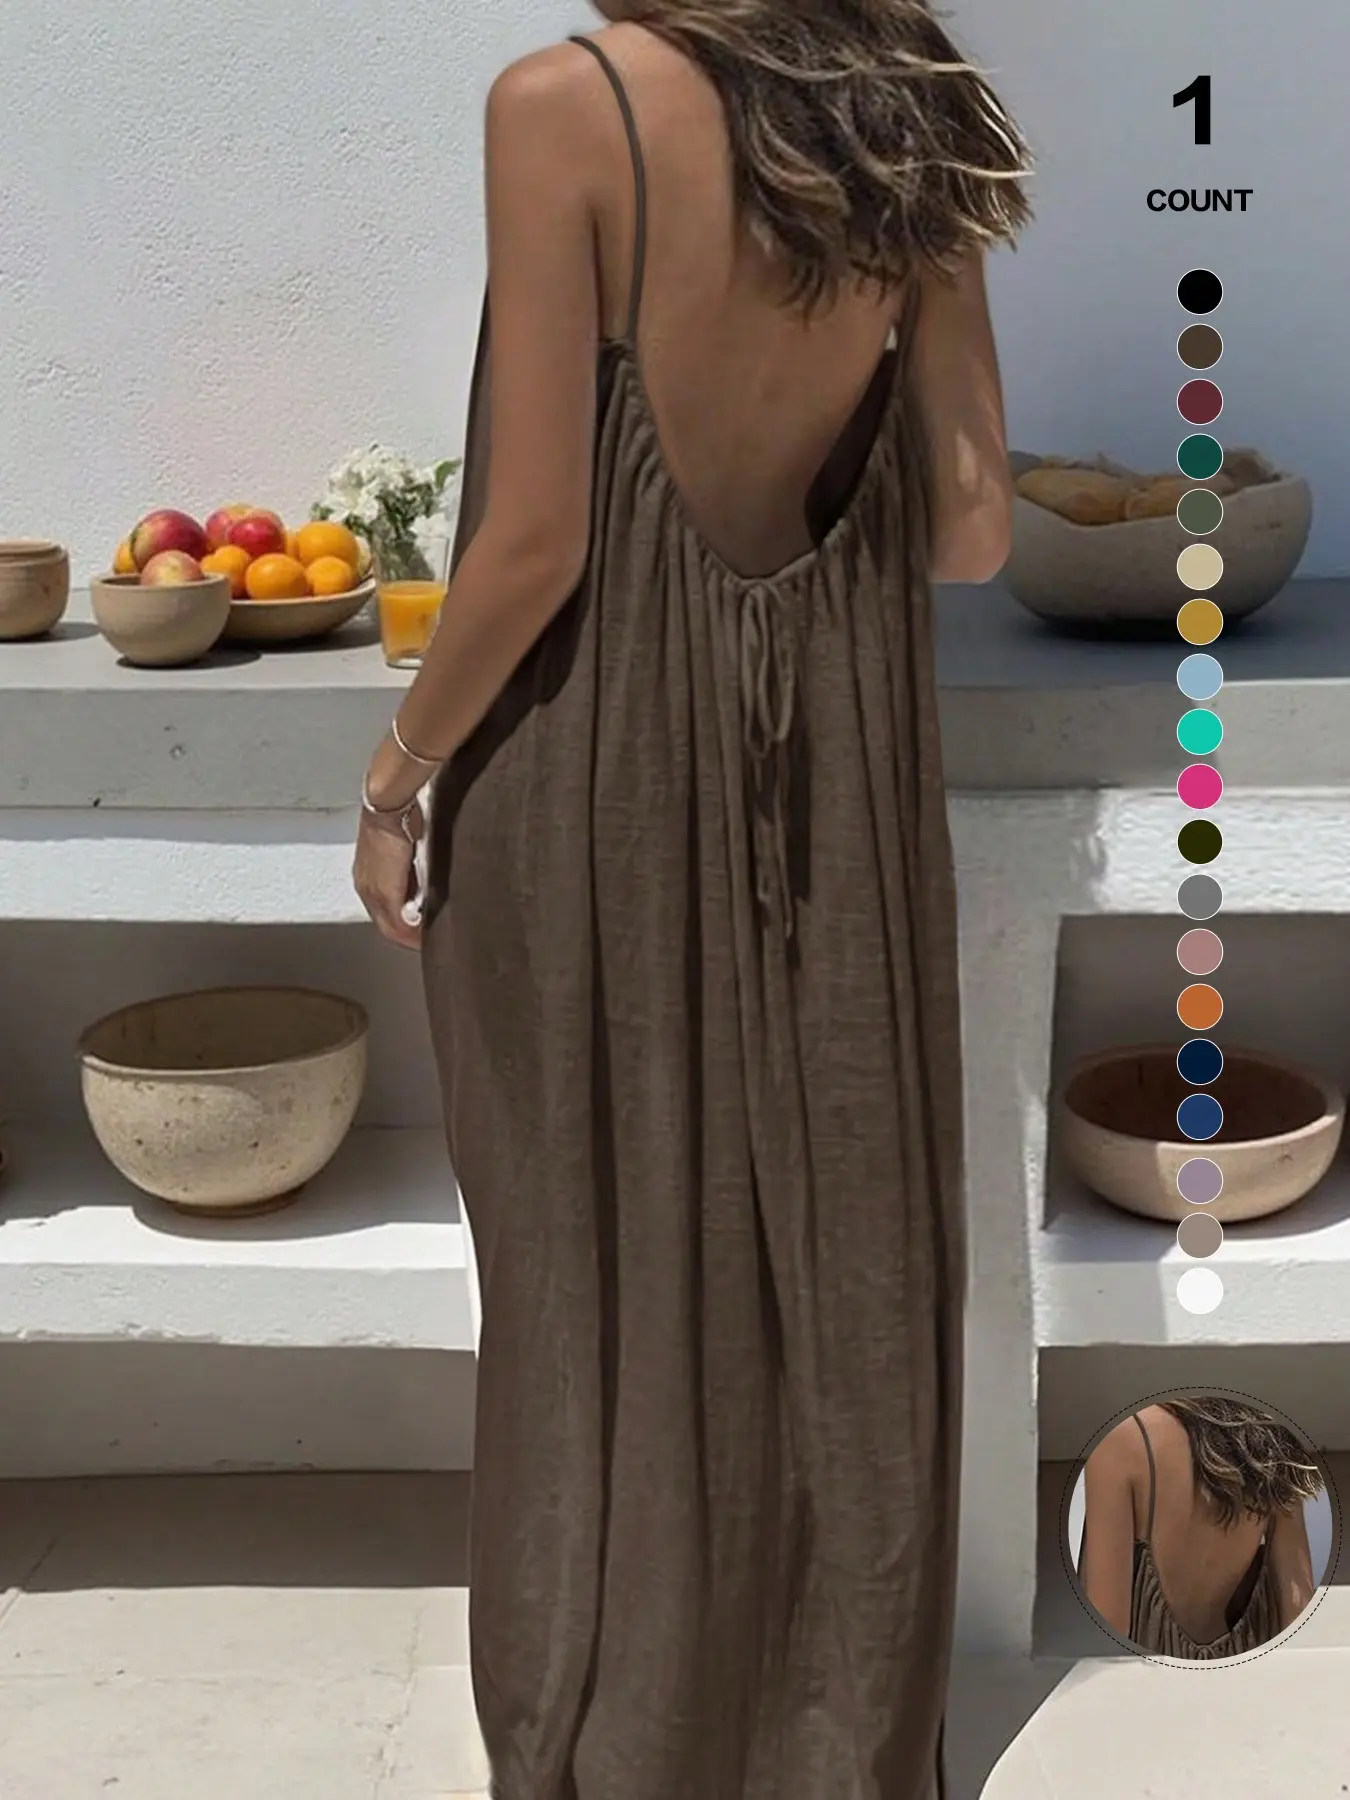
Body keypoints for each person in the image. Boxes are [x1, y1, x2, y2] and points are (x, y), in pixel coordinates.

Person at [353, 4, 1030, 1795]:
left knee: (583, 1276)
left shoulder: (563, 105)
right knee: (836, 1253)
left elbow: (533, 542)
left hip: (589, 781)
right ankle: (822, 1733)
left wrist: (397, 774)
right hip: (834, 785)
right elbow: (972, 527)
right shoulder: (906, 102)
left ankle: (618, 1726)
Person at [1079, 1397, 1323, 1659]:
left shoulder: (1122, 1439)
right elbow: (1297, 1603)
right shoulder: (1270, 1440)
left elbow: (1106, 1629)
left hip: (1152, 1674)